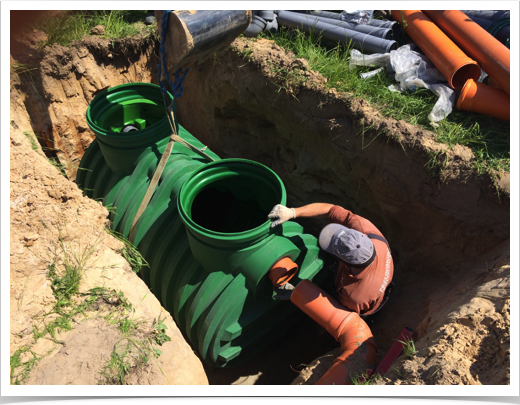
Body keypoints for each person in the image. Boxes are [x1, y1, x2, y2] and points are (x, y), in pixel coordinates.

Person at [268, 203, 394, 318]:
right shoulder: (370, 233)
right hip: (376, 283)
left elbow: (338, 314)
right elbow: (331, 210)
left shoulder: (353, 295)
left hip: (358, 307)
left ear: (346, 265)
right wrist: (293, 212)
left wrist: (297, 294)